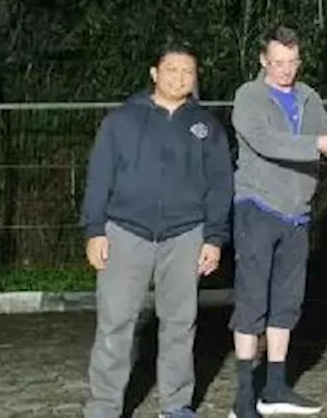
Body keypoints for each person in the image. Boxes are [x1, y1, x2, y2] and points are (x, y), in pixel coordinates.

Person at [80, 45, 233, 418]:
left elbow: (220, 185)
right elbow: (100, 175)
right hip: (124, 232)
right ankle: (104, 407)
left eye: (188, 72)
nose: (180, 77)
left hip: (185, 235)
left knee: (180, 324)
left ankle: (176, 404)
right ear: (154, 72)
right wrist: (94, 229)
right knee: (115, 323)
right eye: (172, 69)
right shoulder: (122, 120)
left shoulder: (207, 126)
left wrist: (214, 237)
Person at [227, 26, 327, 418]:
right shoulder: (248, 97)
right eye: (278, 62)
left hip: (297, 212)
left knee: (287, 302)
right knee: (253, 301)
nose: (286, 70)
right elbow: (266, 142)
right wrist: (322, 144)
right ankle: (244, 396)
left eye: (292, 62)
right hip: (258, 206)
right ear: (264, 61)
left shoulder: (306, 96)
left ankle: (276, 387)